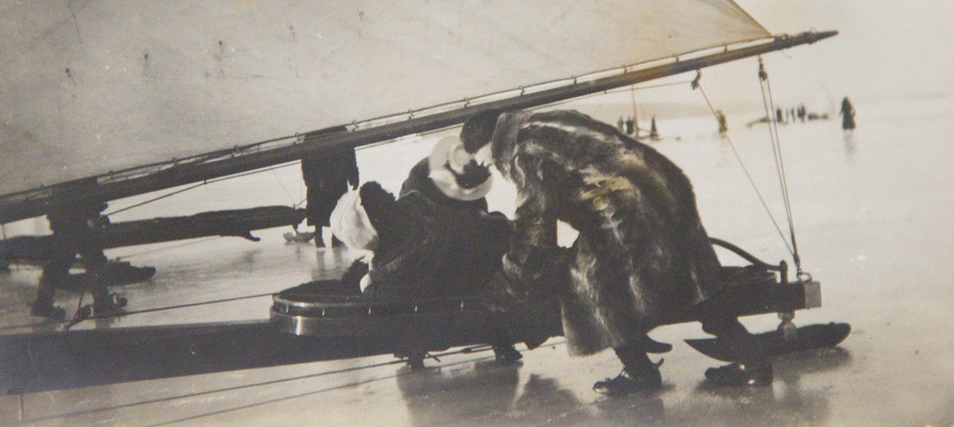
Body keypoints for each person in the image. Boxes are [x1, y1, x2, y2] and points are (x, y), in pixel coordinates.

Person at [460, 109, 773, 396]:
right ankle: (754, 361)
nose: (486, 165)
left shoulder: (521, 152)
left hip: (625, 212)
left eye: (482, 158)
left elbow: (533, 224)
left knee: (585, 281)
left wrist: (512, 278)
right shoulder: (542, 123)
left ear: (491, 142)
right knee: (693, 280)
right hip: (665, 187)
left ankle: (640, 373)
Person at [332, 136, 521, 363]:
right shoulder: (419, 194)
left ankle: (414, 349)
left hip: (461, 272)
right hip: (485, 255)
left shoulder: (394, 265)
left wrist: (369, 282)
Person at [31, 193, 127, 320]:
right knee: (92, 256)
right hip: (78, 210)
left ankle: (43, 301)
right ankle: (102, 301)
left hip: (62, 208)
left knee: (62, 257)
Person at [301, 146, 359, 247]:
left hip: (330, 171)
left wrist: (353, 175)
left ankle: (324, 236)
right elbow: (349, 153)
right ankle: (325, 237)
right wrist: (353, 175)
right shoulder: (340, 135)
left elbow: (349, 153)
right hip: (332, 171)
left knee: (326, 205)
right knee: (332, 205)